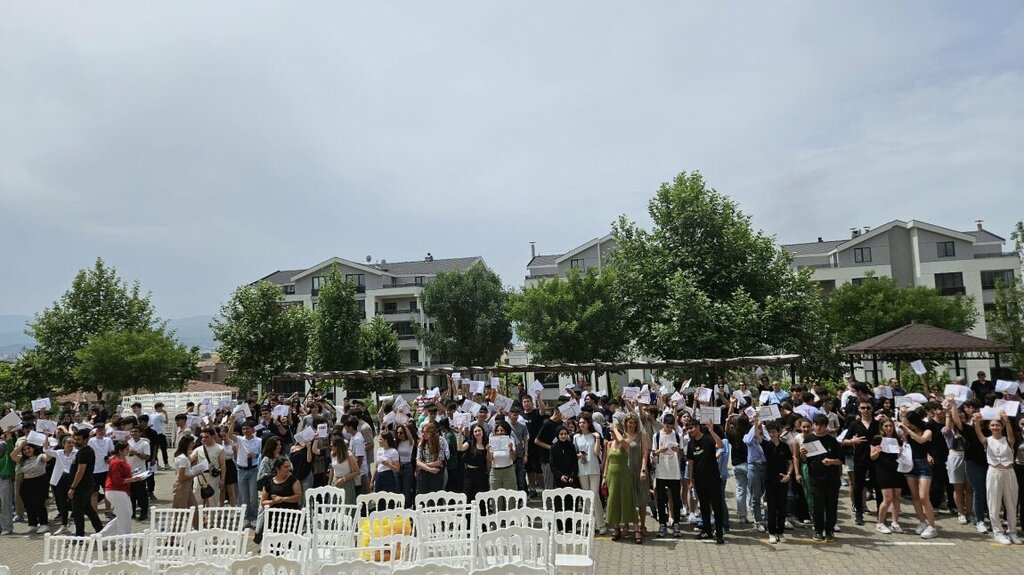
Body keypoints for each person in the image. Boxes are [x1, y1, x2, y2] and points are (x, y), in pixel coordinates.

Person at [972, 409, 1020, 545]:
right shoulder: (987, 440)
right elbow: (978, 433)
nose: (995, 428)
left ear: (1002, 427)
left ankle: (1012, 532)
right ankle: (998, 532)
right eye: (992, 425)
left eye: (997, 425)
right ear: (989, 427)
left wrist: (1007, 421)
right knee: (994, 503)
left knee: (1011, 503)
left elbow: (1011, 436)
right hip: (994, 472)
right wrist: (976, 421)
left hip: (1009, 472)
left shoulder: (1008, 440)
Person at [801, 414, 843, 542]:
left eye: (821, 425)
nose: (818, 427)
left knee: (831, 505)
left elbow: (841, 460)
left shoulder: (832, 441)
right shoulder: (808, 439)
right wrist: (802, 454)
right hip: (815, 478)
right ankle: (818, 530)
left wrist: (831, 461)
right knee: (817, 506)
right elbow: (804, 460)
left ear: (826, 427)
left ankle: (829, 530)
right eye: (816, 424)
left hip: (832, 479)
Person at [897, 408, 938, 539]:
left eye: (909, 422)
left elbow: (921, 440)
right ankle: (922, 522)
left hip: (923, 465)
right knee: (915, 496)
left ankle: (932, 526)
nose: (907, 424)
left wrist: (908, 430)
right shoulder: (908, 432)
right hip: (910, 464)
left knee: (923, 496)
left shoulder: (927, 430)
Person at [686, 418, 725, 544]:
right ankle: (706, 531)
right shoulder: (690, 444)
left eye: (691, 428)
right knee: (704, 506)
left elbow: (720, 445)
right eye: (687, 429)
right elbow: (691, 462)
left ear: (697, 427)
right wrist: (691, 480)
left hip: (713, 478)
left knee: (717, 506)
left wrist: (711, 431)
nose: (689, 431)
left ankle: (719, 533)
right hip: (699, 480)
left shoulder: (708, 438)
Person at [842, 399, 880, 526]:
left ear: (872, 409)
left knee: (878, 486)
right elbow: (843, 440)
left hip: (877, 459)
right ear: (859, 409)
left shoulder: (878, 424)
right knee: (858, 486)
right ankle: (859, 513)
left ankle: (881, 513)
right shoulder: (854, 424)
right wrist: (852, 441)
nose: (865, 410)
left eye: (868, 408)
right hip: (860, 459)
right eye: (863, 408)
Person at [98, 441, 144, 537]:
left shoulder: (123, 460)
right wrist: (133, 479)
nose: (129, 451)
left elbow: (124, 475)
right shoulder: (116, 462)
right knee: (125, 516)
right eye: (127, 449)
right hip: (116, 490)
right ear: (120, 451)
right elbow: (117, 480)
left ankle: (102, 536)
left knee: (125, 515)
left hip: (121, 490)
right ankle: (123, 540)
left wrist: (134, 475)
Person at [255, 456, 302, 545]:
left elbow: (298, 496)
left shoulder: (293, 480)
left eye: (289, 466)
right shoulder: (269, 482)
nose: (289, 469)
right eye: (286, 467)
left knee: (288, 544)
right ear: (277, 469)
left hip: (290, 517)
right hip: (273, 518)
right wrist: (274, 502)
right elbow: (263, 502)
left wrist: (283, 499)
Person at [604, 423, 639, 542]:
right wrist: (604, 476)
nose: (611, 433)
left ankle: (636, 529)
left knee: (627, 499)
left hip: (623, 475)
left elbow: (622, 441)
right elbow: (607, 462)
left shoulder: (626, 443)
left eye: (612, 431)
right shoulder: (609, 444)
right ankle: (616, 527)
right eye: (610, 431)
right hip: (611, 475)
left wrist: (615, 428)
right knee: (613, 500)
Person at [759, 420, 792, 544]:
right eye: (770, 432)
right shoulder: (766, 444)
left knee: (782, 507)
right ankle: (772, 532)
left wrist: (789, 475)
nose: (772, 434)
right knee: (772, 507)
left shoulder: (784, 446)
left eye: (774, 432)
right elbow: (757, 436)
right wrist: (757, 419)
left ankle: (780, 532)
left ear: (778, 432)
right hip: (769, 480)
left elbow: (790, 462)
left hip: (783, 480)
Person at [573, 415, 606, 535]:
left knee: (594, 495)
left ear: (588, 424)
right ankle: (590, 523)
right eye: (580, 422)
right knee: (586, 496)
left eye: (584, 422)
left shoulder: (594, 435)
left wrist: (597, 438)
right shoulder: (576, 437)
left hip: (594, 469)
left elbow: (597, 452)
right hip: (581, 469)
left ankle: (601, 523)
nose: (582, 424)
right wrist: (579, 455)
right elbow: (574, 452)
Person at [870, 417, 903, 534]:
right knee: (888, 497)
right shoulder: (877, 439)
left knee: (896, 496)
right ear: (882, 427)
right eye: (886, 426)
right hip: (883, 469)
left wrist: (901, 452)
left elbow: (901, 457)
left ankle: (895, 522)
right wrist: (877, 451)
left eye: (891, 426)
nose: (889, 428)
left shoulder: (897, 439)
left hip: (897, 469)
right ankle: (880, 523)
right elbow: (872, 457)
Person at [652, 414, 683, 538]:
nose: (669, 429)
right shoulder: (657, 435)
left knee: (676, 499)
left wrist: (677, 450)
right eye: (667, 426)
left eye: (671, 426)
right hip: (661, 472)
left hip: (674, 473)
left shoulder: (677, 435)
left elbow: (681, 452)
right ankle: (662, 524)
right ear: (663, 423)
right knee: (660, 499)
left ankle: (676, 523)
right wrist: (661, 451)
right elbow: (653, 452)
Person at [68, 428, 104, 536]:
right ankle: (100, 530)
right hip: (85, 485)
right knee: (88, 508)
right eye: (75, 439)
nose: (75, 442)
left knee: (77, 511)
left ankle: (79, 535)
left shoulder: (85, 452)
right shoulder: (83, 451)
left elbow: (80, 471)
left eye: (78, 439)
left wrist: (73, 488)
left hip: (81, 486)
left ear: (86, 439)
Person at [11, 440, 49, 533]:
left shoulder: (40, 457)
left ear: (34, 448)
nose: (27, 450)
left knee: (38, 503)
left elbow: (48, 457)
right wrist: (21, 446)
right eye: (25, 449)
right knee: (28, 504)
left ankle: (43, 524)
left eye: (29, 448)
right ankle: (32, 524)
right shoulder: (23, 459)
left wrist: (46, 446)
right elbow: (12, 455)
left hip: (40, 482)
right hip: (27, 483)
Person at [623, 413, 651, 538]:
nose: (632, 425)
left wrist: (643, 468)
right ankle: (626, 524)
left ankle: (643, 524)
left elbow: (645, 453)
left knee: (641, 500)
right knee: (627, 499)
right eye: (630, 422)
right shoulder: (622, 436)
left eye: (634, 423)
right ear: (626, 423)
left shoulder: (642, 435)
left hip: (639, 469)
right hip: (625, 471)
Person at [45, 435, 77, 535]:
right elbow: (46, 449)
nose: (71, 445)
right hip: (59, 480)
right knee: (62, 503)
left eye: (72, 443)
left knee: (74, 503)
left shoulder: (77, 453)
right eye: (68, 443)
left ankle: (76, 525)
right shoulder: (59, 453)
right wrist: (46, 435)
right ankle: (63, 525)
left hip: (71, 480)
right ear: (63, 444)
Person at [235, 421, 262, 529]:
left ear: (252, 429)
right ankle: (246, 518)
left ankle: (254, 518)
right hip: (241, 470)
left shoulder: (259, 440)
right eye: (244, 429)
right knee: (244, 496)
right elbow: (229, 436)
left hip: (254, 470)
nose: (245, 431)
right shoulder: (240, 440)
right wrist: (232, 421)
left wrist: (255, 455)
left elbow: (262, 454)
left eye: (247, 428)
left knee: (253, 496)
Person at [192, 427, 226, 508]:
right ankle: (197, 519)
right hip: (199, 476)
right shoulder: (198, 449)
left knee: (212, 501)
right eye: (202, 437)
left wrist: (222, 479)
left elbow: (223, 466)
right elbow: (190, 459)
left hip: (213, 476)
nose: (204, 439)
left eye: (206, 437)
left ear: (213, 436)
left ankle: (211, 519)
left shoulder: (220, 448)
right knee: (197, 499)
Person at [458, 425, 489, 502]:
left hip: (482, 474)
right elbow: (460, 448)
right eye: (475, 431)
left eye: (479, 430)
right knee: (468, 496)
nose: (477, 433)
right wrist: (460, 433)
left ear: (483, 432)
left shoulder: (487, 444)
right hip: (470, 473)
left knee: (482, 498)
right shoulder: (470, 443)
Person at [171, 435, 201, 513]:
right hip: (181, 486)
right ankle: (177, 525)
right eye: (192, 443)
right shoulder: (182, 458)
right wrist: (195, 474)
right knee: (180, 511)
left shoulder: (186, 455)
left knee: (194, 508)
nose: (193, 445)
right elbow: (181, 477)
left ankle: (197, 525)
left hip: (187, 485)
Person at [126, 426, 150, 521]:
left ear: (140, 433)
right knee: (131, 494)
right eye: (132, 432)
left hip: (140, 471)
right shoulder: (128, 443)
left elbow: (146, 457)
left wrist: (136, 453)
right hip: (129, 471)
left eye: (136, 431)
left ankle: (144, 513)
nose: (134, 433)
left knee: (141, 493)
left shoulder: (144, 444)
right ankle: (132, 513)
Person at [328, 435, 360, 504]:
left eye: (332, 446)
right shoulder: (332, 454)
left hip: (347, 482)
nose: (331, 448)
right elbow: (332, 469)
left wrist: (344, 479)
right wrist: (329, 484)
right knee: (334, 505)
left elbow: (357, 471)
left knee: (347, 505)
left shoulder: (349, 455)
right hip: (335, 482)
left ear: (338, 446)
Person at [488, 421, 518, 491]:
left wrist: (510, 449)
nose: (499, 432)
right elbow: (490, 459)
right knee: (496, 498)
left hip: (508, 470)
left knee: (510, 497)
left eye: (502, 430)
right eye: (497, 431)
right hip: (495, 472)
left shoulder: (510, 439)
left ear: (506, 431)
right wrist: (488, 450)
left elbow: (513, 458)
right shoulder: (492, 440)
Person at [395, 423, 418, 508]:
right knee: (397, 490)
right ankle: (399, 508)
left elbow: (411, 437)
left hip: (407, 467)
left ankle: (407, 508)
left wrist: (404, 426)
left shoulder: (410, 442)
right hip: (398, 468)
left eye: (401, 433)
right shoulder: (397, 443)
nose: (399, 434)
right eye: (397, 433)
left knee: (406, 490)